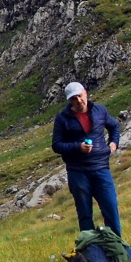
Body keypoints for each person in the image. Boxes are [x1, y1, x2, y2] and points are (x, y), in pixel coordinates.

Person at [51, 81, 122, 237]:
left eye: (80, 96)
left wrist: (114, 143)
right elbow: (56, 145)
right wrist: (78, 146)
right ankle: (90, 249)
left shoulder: (100, 111)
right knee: (84, 213)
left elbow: (114, 126)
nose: (79, 101)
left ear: (86, 93)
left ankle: (116, 246)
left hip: (101, 168)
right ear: (69, 101)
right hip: (77, 171)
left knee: (110, 207)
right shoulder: (62, 119)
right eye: (74, 99)